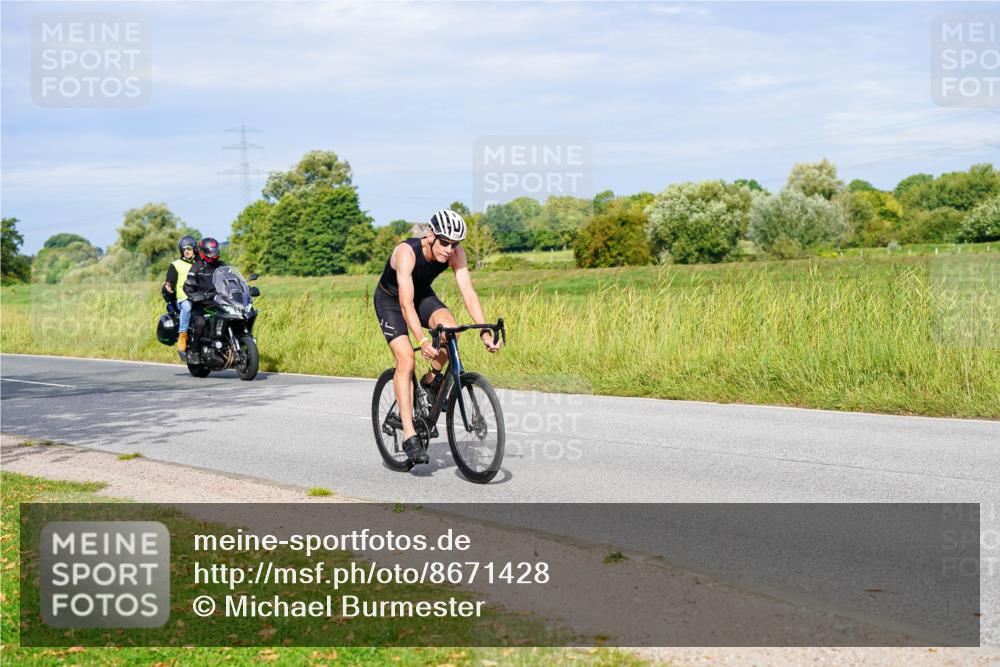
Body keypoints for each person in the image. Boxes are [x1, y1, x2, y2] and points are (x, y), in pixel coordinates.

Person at [374, 209, 501, 465]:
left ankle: (431, 381)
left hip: (422, 295)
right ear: (431, 235)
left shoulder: (455, 253)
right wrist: (421, 340)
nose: (448, 249)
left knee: (452, 330)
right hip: (391, 300)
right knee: (406, 359)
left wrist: (484, 331)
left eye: (454, 244)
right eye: (444, 242)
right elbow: (405, 304)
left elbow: (468, 293)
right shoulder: (407, 252)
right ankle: (409, 435)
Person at [182, 237, 226, 362]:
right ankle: (195, 351)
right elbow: (188, 285)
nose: (213, 253)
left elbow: (231, 279)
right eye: (211, 251)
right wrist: (194, 295)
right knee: (200, 323)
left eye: (215, 250)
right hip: (202, 304)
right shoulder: (197, 266)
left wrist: (243, 288)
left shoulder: (221, 265)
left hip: (219, 302)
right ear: (203, 251)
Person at [162, 235, 198, 352]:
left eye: (189, 248)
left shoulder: (200, 263)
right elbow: (170, 280)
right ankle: (182, 334)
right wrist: (168, 286)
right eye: (184, 249)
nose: (186, 251)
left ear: (194, 249)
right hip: (184, 298)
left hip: (200, 297)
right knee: (187, 307)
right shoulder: (176, 264)